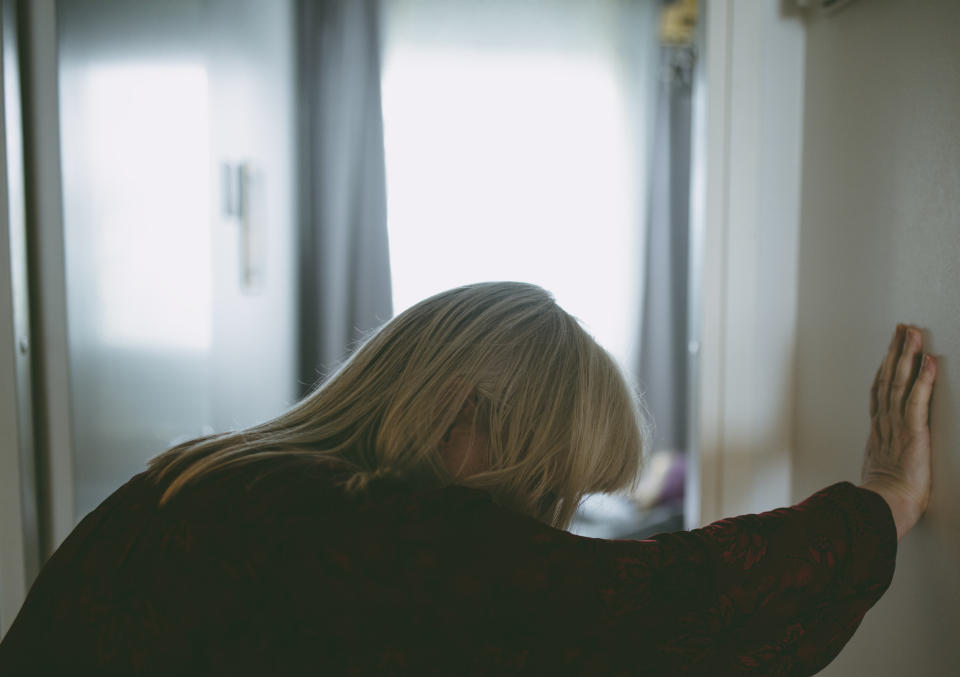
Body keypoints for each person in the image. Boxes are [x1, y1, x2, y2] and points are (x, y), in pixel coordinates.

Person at [0, 282, 936, 675]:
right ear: (466, 417)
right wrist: (885, 503)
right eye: (545, 487)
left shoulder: (209, 482)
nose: (546, 523)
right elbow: (662, 610)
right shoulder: (377, 530)